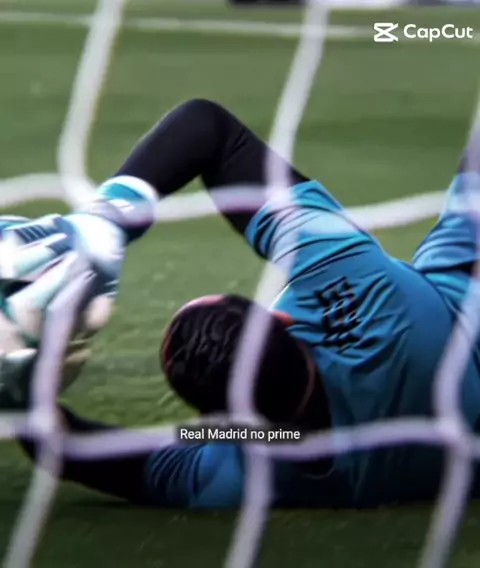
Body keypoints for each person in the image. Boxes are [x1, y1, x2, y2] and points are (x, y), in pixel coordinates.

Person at [4, 98, 480, 508]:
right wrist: (103, 225)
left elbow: (75, 453)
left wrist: (18, 395)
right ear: (283, 319)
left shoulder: (243, 475)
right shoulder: (361, 290)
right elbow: (207, 126)